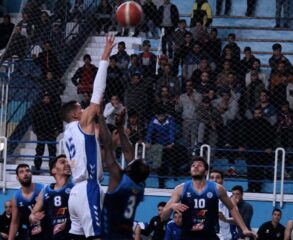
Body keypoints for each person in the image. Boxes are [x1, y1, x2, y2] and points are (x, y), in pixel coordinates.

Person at [60, 35, 115, 239]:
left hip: (75, 192)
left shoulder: (66, 134)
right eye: (80, 109)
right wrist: (104, 58)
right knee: (97, 237)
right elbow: (98, 93)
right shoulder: (81, 123)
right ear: (75, 114)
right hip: (87, 188)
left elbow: (94, 142)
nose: (84, 110)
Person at [160, 156, 256, 239]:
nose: (195, 166)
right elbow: (163, 217)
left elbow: (232, 208)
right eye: (193, 165)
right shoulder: (180, 189)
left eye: (200, 165)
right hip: (188, 235)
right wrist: (172, 206)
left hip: (210, 234)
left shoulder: (217, 188)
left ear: (206, 172)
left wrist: (244, 229)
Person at [98, 108, 150, 240]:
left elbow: (107, 144)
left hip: (110, 236)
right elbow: (130, 154)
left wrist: (100, 115)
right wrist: (121, 128)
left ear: (128, 170)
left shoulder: (118, 179)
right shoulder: (141, 188)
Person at [29, 155, 73, 239]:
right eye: (63, 162)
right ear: (54, 170)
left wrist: (67, 222)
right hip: (50, 235)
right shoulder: (45, 191)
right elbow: (31, 215)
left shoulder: (75, 188)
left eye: (68, 162)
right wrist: (33, 218)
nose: (67, 164)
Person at [8, 164, 44, 240]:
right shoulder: (16, 197)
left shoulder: (42, 188)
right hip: (32, 233)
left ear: (31, 174)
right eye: (21, 172)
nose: (25, 174)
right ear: (17, 177)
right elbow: (14, 223)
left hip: (48, 231)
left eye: (27, 171)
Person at [31, 92, 63, 172]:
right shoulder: (38, 108)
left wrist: (58, 130)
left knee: (52, 152)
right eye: (45, 98)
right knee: (39, 151)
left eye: (47, 98)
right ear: (42, 99)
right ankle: (37, 167)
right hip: (41, 132)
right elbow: (34, 119)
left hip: (51, 132)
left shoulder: (54, 108)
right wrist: (36, 130)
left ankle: (52, 168)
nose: (46, 100)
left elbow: (59, 119)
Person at [209, 170, 232, 240]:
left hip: (225, 237)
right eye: (212, 178)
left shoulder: (230, 196)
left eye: (217, 178)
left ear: (222, 180)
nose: (214, 180)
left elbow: (238, 219)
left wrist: (225, 219)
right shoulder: (203, 195)